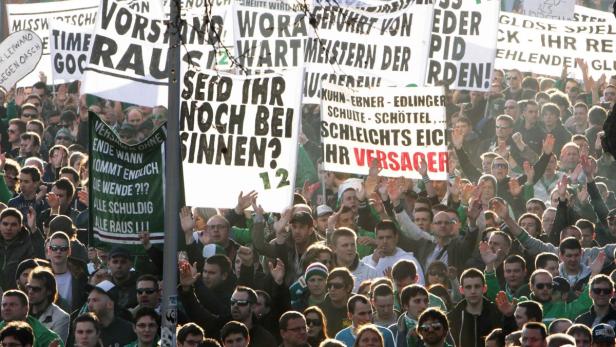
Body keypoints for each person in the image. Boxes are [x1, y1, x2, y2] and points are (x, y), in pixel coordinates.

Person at [448, 268, 502, 347]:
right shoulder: (452, 318)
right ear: (461, 290)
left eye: (477, 286)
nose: (473, 291)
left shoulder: (497, 314)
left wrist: (509, 315)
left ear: (484, 288)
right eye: (468, 287)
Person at [86, 280, 137, 347]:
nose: (89, 305)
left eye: (95, 300)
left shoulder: (129, 330)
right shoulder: (84, 330)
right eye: (88, 300)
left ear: (110, 304)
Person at [26, 266, 69, 343]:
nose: (30, 292)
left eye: (36, 289)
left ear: (49, 291)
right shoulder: (21, 311)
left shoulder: (61, 318)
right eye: (29, 287)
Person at [0, 208, 35, 290]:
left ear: (20, 227)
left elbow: (42, 256)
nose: (9, 228)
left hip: (18, 295)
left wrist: (33, 229)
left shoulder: (28, 244)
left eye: (13, 224)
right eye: (5, 224)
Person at [318, 267, 354, 335]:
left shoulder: (359, 307)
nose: (332, 289)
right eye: (329, 285)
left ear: (348, 287)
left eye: (337, 286)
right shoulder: (319, 311)